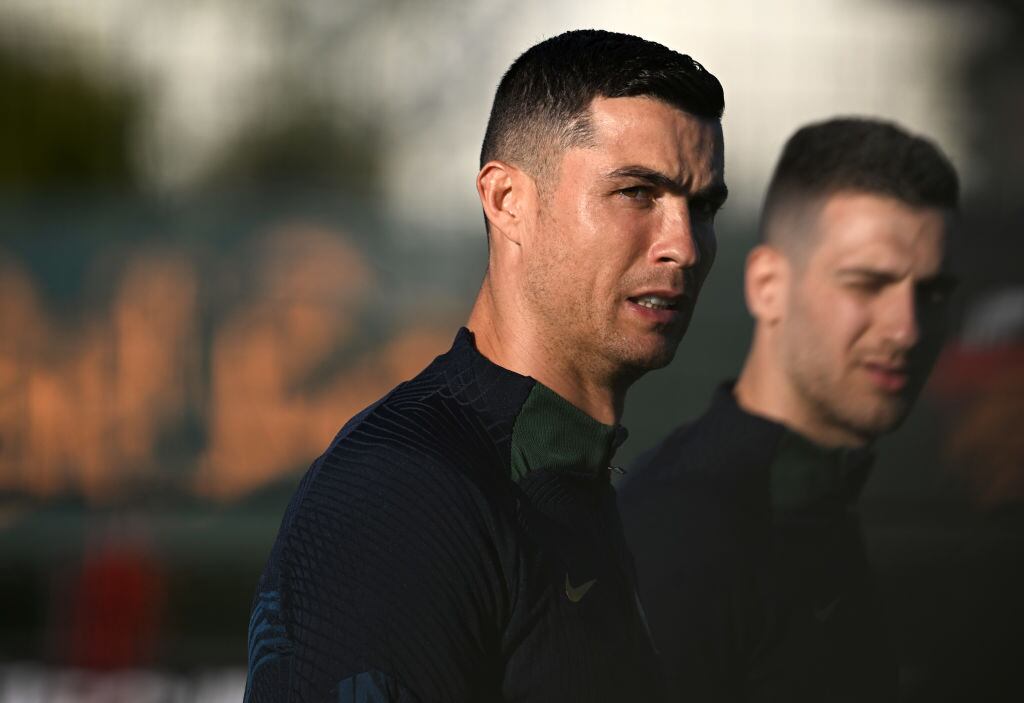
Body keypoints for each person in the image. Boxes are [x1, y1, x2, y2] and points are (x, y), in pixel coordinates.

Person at [244, 29, 728, 702]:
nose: (684, 244)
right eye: (638, 192)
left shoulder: (571, 480)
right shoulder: (406, 488)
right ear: (507, 202)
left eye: (702, 206)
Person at [618, 117, 960, 702]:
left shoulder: (828, 500)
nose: (906, 329)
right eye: (866, 284)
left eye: (930, 293)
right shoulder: (680, 535)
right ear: (768, 286)